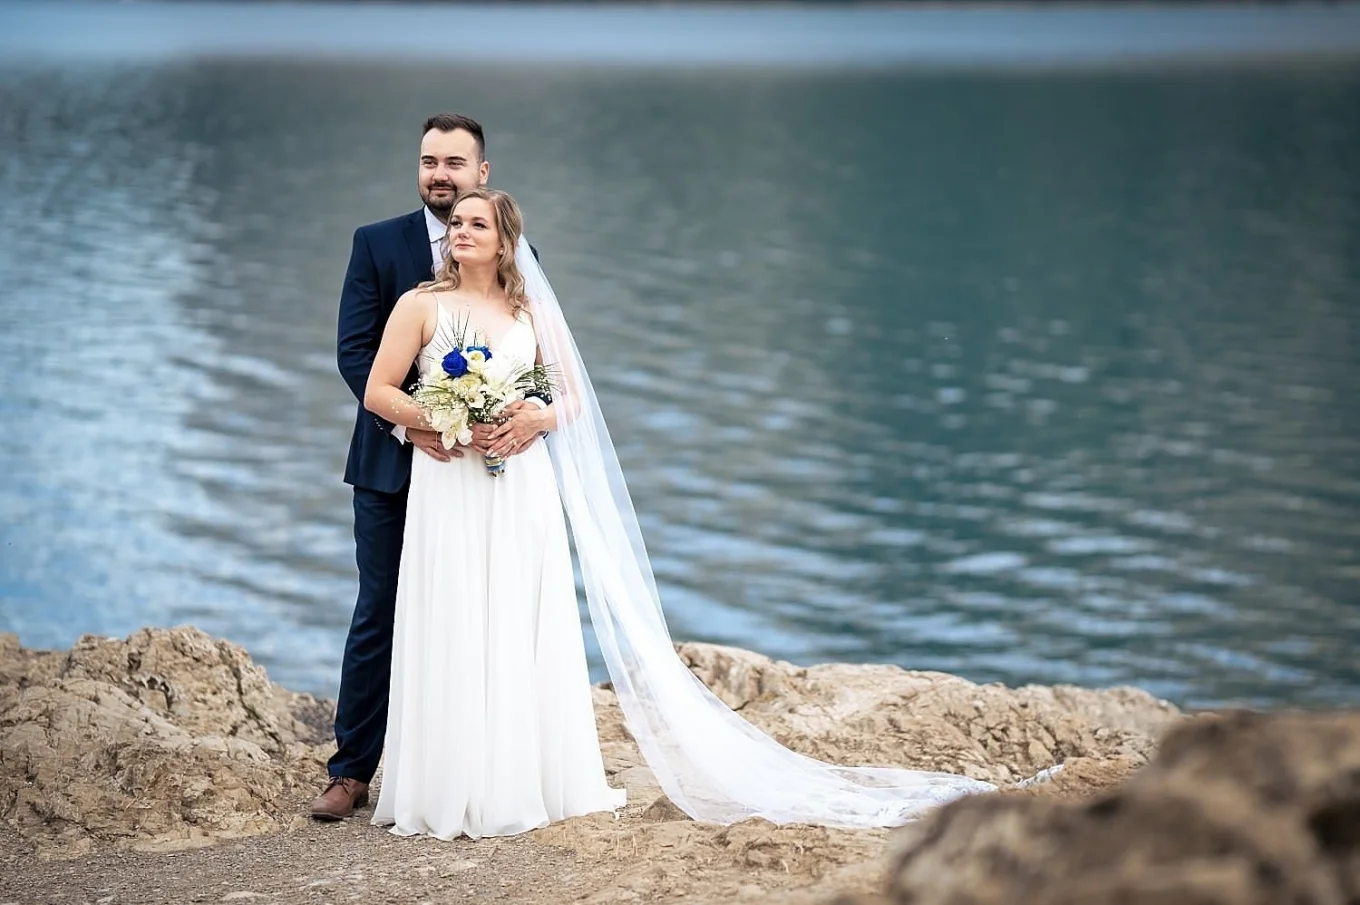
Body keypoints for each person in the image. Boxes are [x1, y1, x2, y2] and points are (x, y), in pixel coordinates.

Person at [362, 185, 997, 840]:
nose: (460, 231)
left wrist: (536, 417)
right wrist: (442, 417)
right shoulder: (421, 305)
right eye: (457, 223)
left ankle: (524, 780)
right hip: (452, 488)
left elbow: (571, 400)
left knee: (521, 620)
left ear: (505, 239)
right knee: (456, 616)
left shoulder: (530, 310)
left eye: (476, 223)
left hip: (521, 487)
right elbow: (381, 390)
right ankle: (449, 785)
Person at [314, 114, 543, 821]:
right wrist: (421, 423)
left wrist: (530, 414)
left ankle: (466, 764)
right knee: (381, 609)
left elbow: (535, 358)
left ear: (482, 172)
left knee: (478, 608)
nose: (438, 173)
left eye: (453, 162)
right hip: (392, 464)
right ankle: (351, 772)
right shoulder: (377, 243)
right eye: (427, 161)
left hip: (481, 478)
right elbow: (358, 355)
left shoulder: (513, 250)